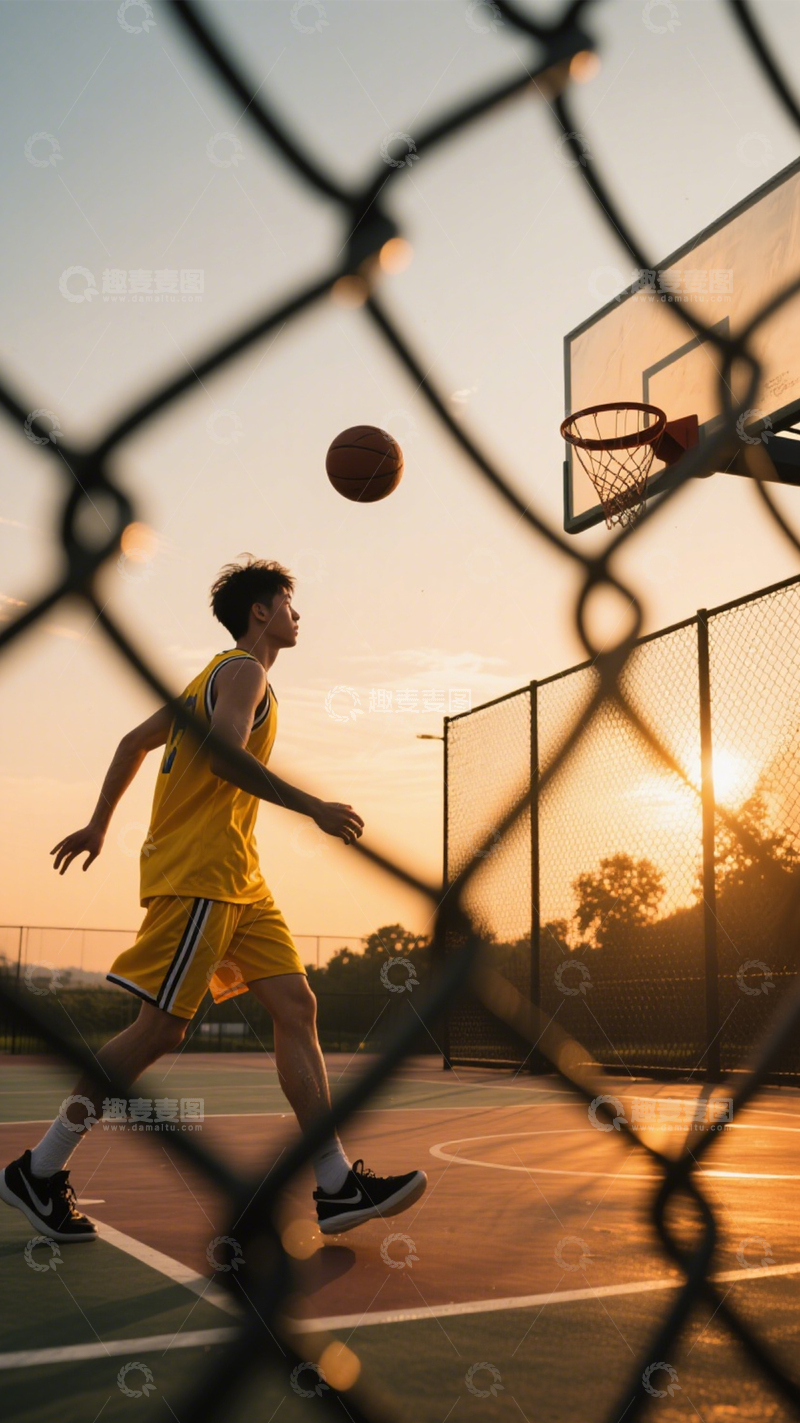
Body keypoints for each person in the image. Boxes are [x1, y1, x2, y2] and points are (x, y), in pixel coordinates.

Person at [0, 556, 426, 1243]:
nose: (297, 614)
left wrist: (101, 823)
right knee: (158, 1031)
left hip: (240, 878)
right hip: (200, 873)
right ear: (260, 612)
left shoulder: (208, 680)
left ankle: (334, 1182)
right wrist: (312, 804)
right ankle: (39, 1169)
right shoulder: (243, 672)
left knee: (297, 1005)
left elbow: (131, 742)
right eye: (289, 602)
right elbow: (226, 756)